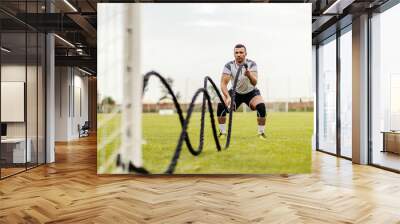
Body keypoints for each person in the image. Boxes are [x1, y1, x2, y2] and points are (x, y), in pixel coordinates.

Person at [217, 44, 267, 140]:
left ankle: (261, 133)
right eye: (236, 52)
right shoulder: (229, 66)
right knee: (221, 104)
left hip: (251, 92)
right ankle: (222, 132)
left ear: (245, 54)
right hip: (235, 92)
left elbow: (254, 82)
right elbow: (223, 84)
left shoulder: (252, 64)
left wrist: (249, 74)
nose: (239, 54)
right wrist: (228, 97)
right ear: (234, 54)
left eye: (241, 52)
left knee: (261, 106)